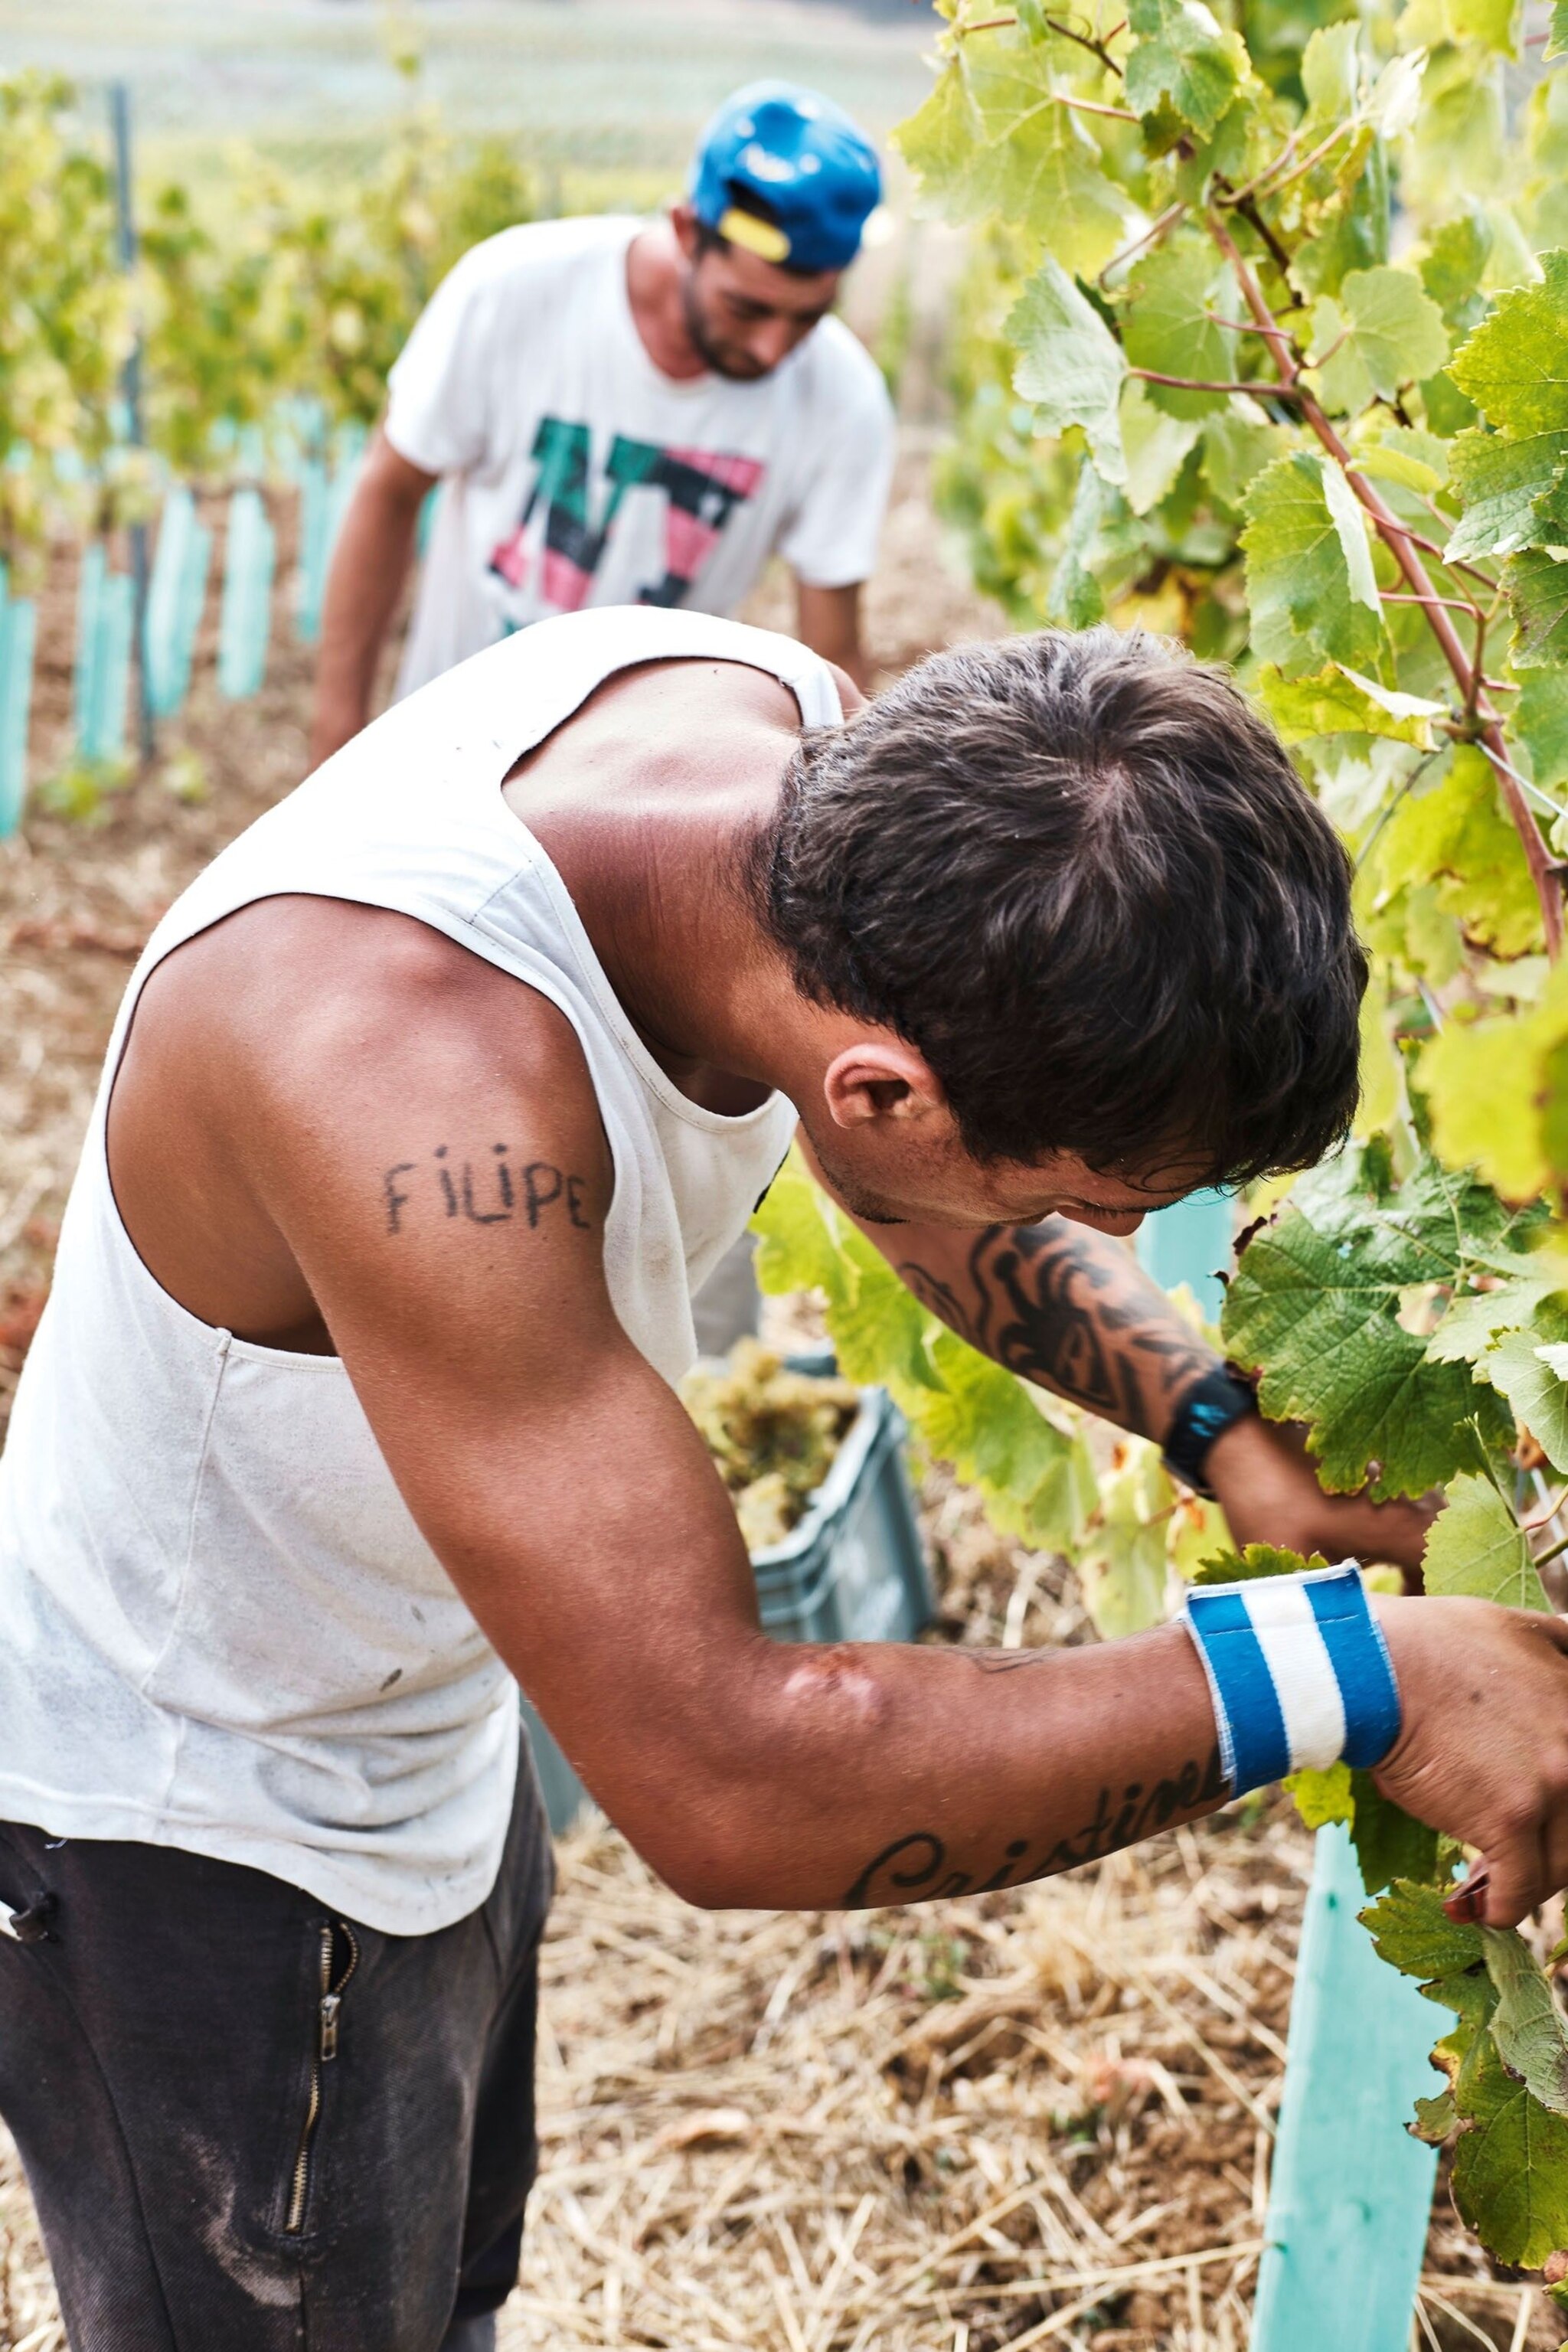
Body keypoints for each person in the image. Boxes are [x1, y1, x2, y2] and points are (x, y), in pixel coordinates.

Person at [5, 609, 1568, 2352]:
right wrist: (1351, 1673)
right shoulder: (402, 1072)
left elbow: (916, 1176)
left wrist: (1222, 1427)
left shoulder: (811, 780)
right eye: (1097, 1195)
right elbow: (723, 1776)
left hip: (414, 1683)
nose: (1107, 1239)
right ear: (882, 1084)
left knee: (438, 2288)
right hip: (193, 1808)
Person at [308, 80, 895, 773]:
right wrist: (338, 733)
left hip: (628, 788)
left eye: (807, 317)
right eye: (747, 309)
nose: (773, 349)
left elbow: (834, 654)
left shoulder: (844, 399)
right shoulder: (514, 291)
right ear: (684, 232)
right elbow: (391, 488)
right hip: (446, 744)